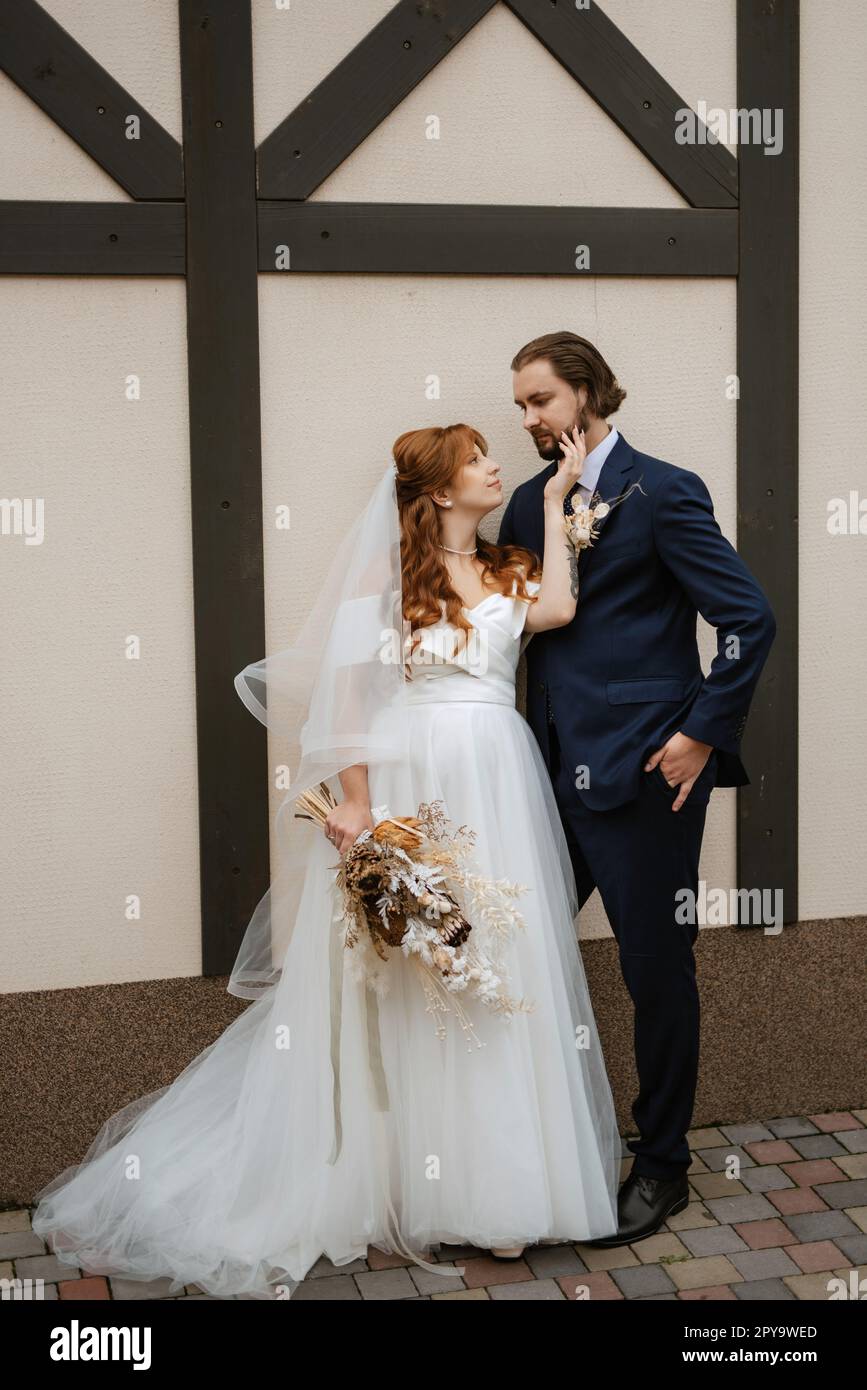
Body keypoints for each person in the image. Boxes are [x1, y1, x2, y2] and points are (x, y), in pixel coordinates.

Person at [31, 421, 621, 1300]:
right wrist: (356, 805)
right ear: (434, 488)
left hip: (499, 778)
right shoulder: (386, 577)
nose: (495, 463)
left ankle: (508, 1186)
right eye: (475, 459)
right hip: (415, 781)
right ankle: (419, 1184)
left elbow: (560, 612)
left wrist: (555, 498)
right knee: (418, 975)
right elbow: (345, 701)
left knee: (496, 962)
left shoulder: (510, 567)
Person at [499, 331, 777, 1246]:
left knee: (654, 969)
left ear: (582, 392)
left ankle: (662, 1166)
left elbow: (746, 619)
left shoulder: (663, 490)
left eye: (539, 401)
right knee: (513, 959)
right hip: (542, 772)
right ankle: (521, 1152)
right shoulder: (529, 509)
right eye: (520, 408)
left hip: (646, 775)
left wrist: (699, 733)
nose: (529, 420)